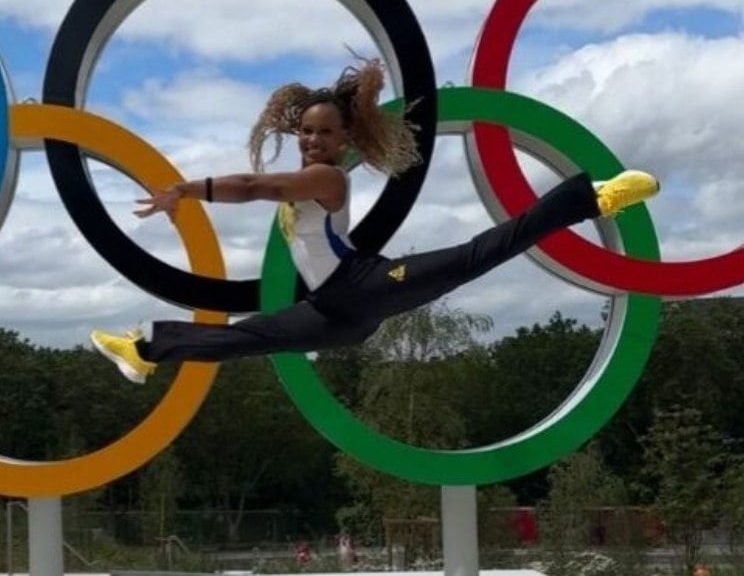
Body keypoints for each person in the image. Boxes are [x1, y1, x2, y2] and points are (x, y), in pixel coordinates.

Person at [90, 57, 659, 384]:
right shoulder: (311, 173)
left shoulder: (327, 179)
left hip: (361, 288)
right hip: (334, 315)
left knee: (472, 257)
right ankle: (145, 352)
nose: (314, 140)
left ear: (344, 141)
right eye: (307, 132)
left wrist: (186, 190)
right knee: (246, 338)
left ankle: (594, 197)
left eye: (326, 133)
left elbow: (256, 185)